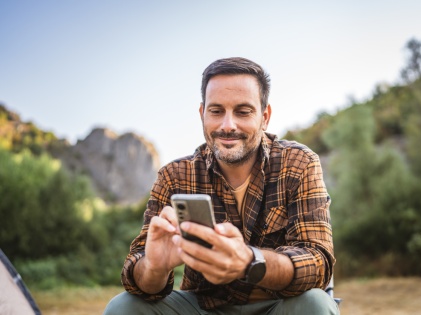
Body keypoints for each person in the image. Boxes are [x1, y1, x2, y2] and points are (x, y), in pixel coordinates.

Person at [104, 57, 339, 315]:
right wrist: (154, 268)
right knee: (123, 307)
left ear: (265, 116)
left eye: (243, 111)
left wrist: (250, 261)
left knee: (315, 304)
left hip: (280, 305)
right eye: (216, 111)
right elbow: (136, 273)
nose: (228, 125)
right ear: (202, 114)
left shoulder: (299, 163)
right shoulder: (174, 176)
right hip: (203, 306)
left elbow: (318, 262)